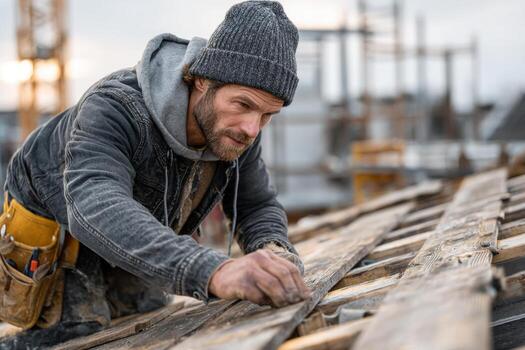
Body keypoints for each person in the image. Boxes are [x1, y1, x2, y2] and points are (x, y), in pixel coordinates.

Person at [0, 1, 310, 348]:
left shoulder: (236, 131)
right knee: (78, 331)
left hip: (136, 225)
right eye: (243, 105)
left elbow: (256, 204)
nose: (252, 128)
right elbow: (97, 203)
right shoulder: (113, 108)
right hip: (59, 230)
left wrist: (275, 251)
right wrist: (212, 269)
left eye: (268, 115)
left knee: (147, 317)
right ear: (202, 81)